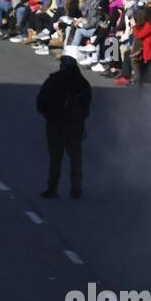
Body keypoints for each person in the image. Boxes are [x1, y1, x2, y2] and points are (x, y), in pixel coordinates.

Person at [35, 55, 91, 199]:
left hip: (55, 124)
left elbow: (41, 102)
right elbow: (87, 105)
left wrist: (49, 115)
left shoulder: (53, 80)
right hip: (75, 126)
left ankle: (52, 188)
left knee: (55, 158)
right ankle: (76, 189)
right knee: (75, 158)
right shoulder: (82, 83)